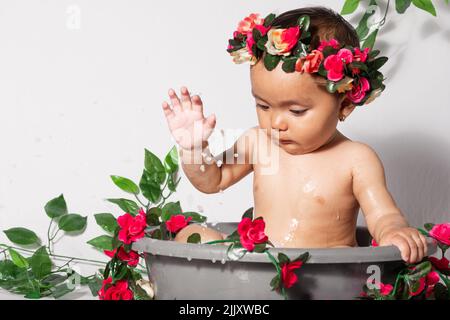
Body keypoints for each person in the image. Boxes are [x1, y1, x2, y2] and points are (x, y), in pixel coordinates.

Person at [161, 6, 427, 263]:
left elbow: (383, 215)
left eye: (297, 111)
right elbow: (212, 180)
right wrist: (194, 148)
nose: (276, 122)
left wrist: (393, 231)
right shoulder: (258, 143)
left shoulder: (356, 159)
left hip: (324, 275)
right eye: (263, 106)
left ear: (344, 105)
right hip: (260, 266)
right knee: (192, 235)